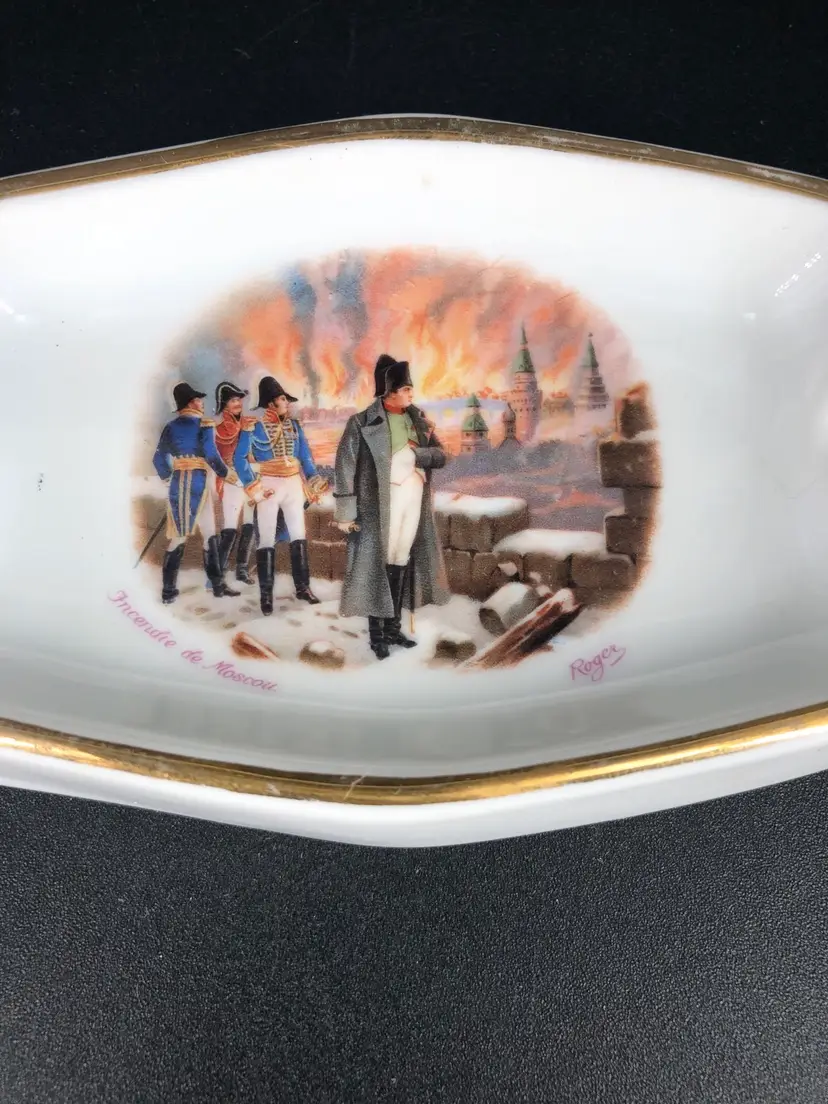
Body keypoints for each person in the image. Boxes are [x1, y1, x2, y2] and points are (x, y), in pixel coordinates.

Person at [333, 354, 449, 660]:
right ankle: (377, 636)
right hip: (379, 506)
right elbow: (344, 467)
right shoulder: (360, 423)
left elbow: (441, 456)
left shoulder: (418, 418)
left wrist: (415, 456)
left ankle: (394, 628)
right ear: (390, 392)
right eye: (406, 389)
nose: (411, 393)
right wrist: (345, 512)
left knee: (400, 560)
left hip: (413, 498)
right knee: (380, 564)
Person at [234, 376, 328, 616]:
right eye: (284, 399)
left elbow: (305, 456)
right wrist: (254, 487)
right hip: (269, 485)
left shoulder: (294, 426)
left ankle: (303, 588)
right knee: (266, 538)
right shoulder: (253, 427)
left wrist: (314, 479)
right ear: (271, 403)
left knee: (299, 535)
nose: (287, 403)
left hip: (294, 484)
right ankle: (266, 596)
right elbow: (239, 459)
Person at [152, 382, 239, 604]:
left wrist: (168, 477)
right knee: (209, 533)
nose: (202, 403)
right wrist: (226, 473)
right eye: (199, 400)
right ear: (191, 403)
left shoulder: (170, 427)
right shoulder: (205, 424)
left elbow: (158, 458)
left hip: (178, 484)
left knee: (178, 537)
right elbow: (211, 454)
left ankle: (168, 591)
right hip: (199, 483)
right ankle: (218, 586)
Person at [213, 380, 256, 585]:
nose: (238, 403)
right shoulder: (218, 430)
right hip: (231, 479)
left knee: (249, 523)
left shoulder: (250, 423)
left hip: (250, 478)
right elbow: (215, 458)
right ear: (224, 405)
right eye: (232, 400)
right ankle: (218, 573)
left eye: (239, 399)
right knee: (230, 525)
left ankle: (242, 569)